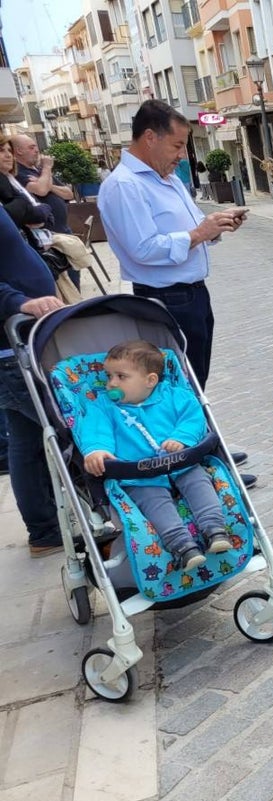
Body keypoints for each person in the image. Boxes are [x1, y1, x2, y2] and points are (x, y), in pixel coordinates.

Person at [98, 99, 254, 483]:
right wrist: (199, 232)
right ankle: (191, 466)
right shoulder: (125, 185)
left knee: (194, 379)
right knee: (177, 383)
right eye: (177, 145)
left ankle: (203, 448)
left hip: (192, 292)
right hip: (165, 297)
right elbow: (143, 248)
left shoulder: (165, 178)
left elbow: (190, 230)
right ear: (150, 137)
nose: (182, 155)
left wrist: (213, 227)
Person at [76, 340, 232, 571]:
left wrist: (181, 438)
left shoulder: (174, 396)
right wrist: (97, 449)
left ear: (150, 380)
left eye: (121, 376)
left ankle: (215, 529)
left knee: (199, 482)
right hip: (140, 475)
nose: (111, 383)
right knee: (154, 503)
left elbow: (193, 418)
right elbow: (95, 428)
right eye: (109, 376)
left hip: (181, 464)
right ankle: (182, 545)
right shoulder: (104, 406)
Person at [0, 206, 66, 556]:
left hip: (22, 343)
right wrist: (20, 302)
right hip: (12, 348)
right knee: (67, 428)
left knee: (25, 439)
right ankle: (51, 525)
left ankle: (45, 530)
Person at [11, 133, 79, 287]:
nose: (37, 150)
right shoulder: (19, 173)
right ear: (19, 151)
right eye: (31, 147)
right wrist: (47, 168)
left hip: (63, 231)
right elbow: (41, 190)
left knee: (74, 278)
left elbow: (69, 193)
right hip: (48, 238)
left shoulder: (39, 171)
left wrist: (50, 185)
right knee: (65, 284)